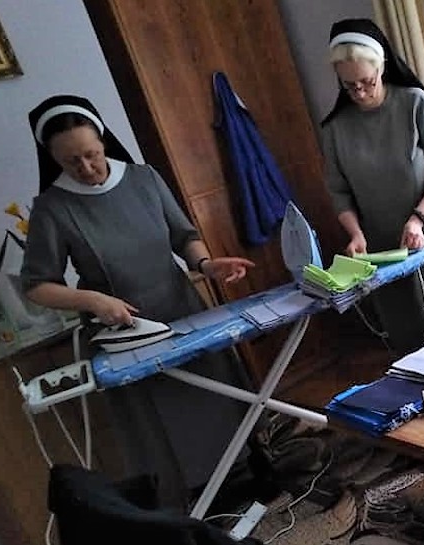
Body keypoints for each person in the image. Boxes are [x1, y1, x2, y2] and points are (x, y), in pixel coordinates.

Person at [21, 95, 255, 508]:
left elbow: (183, 236)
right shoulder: (52, 208)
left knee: (218, 401)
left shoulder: (144, 178)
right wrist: (92, 299)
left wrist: (207, 263)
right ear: (53, 158)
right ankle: (199, 507)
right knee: (167, 427)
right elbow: (37, 286)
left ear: (103, 141)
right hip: (123, 332)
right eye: (72, 161)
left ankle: (248, 478)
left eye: (92, 154)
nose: (87, 168)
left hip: (181, 310)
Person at [320, 18, 424, 353]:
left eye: (367, 81)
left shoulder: (415, 103)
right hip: (380, 247)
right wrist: (355, 234)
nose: (360, 92)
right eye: (350, 85)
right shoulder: (336, 128)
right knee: (409, 337)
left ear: (382, 67)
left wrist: (418, 219)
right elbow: (339, 191)